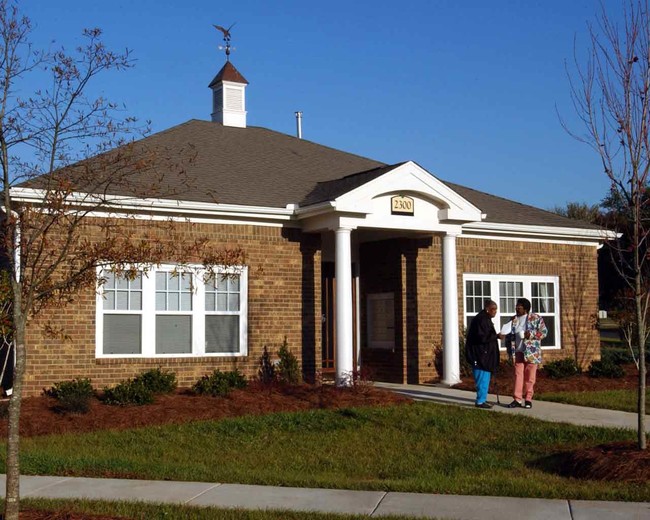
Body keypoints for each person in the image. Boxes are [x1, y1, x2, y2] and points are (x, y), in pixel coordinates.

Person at [500, 297, 547, 409]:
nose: (516, 308)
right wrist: (509, 350)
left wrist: (530, 334)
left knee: (530, 378)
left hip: (531, 352)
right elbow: (509, 335)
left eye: (519, 306)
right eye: (516, 306)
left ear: (525, 309)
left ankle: (528, 399)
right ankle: (517, 399)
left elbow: (544, 332)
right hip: (518, 352)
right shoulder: (513, 320)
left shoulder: (536, 318)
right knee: (518, 376)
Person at [465, 299, 500, 409]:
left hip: (485, 355)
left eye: (496, 309)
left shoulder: (485, 319)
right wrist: (497, 336)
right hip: (480, 355)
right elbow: (482, 337)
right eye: (493, 309)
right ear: (487, 309)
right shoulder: (481, 320)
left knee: (485, 378)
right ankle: (480, 401)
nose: (495, 312)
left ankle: (482, 399)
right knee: (482, 378)